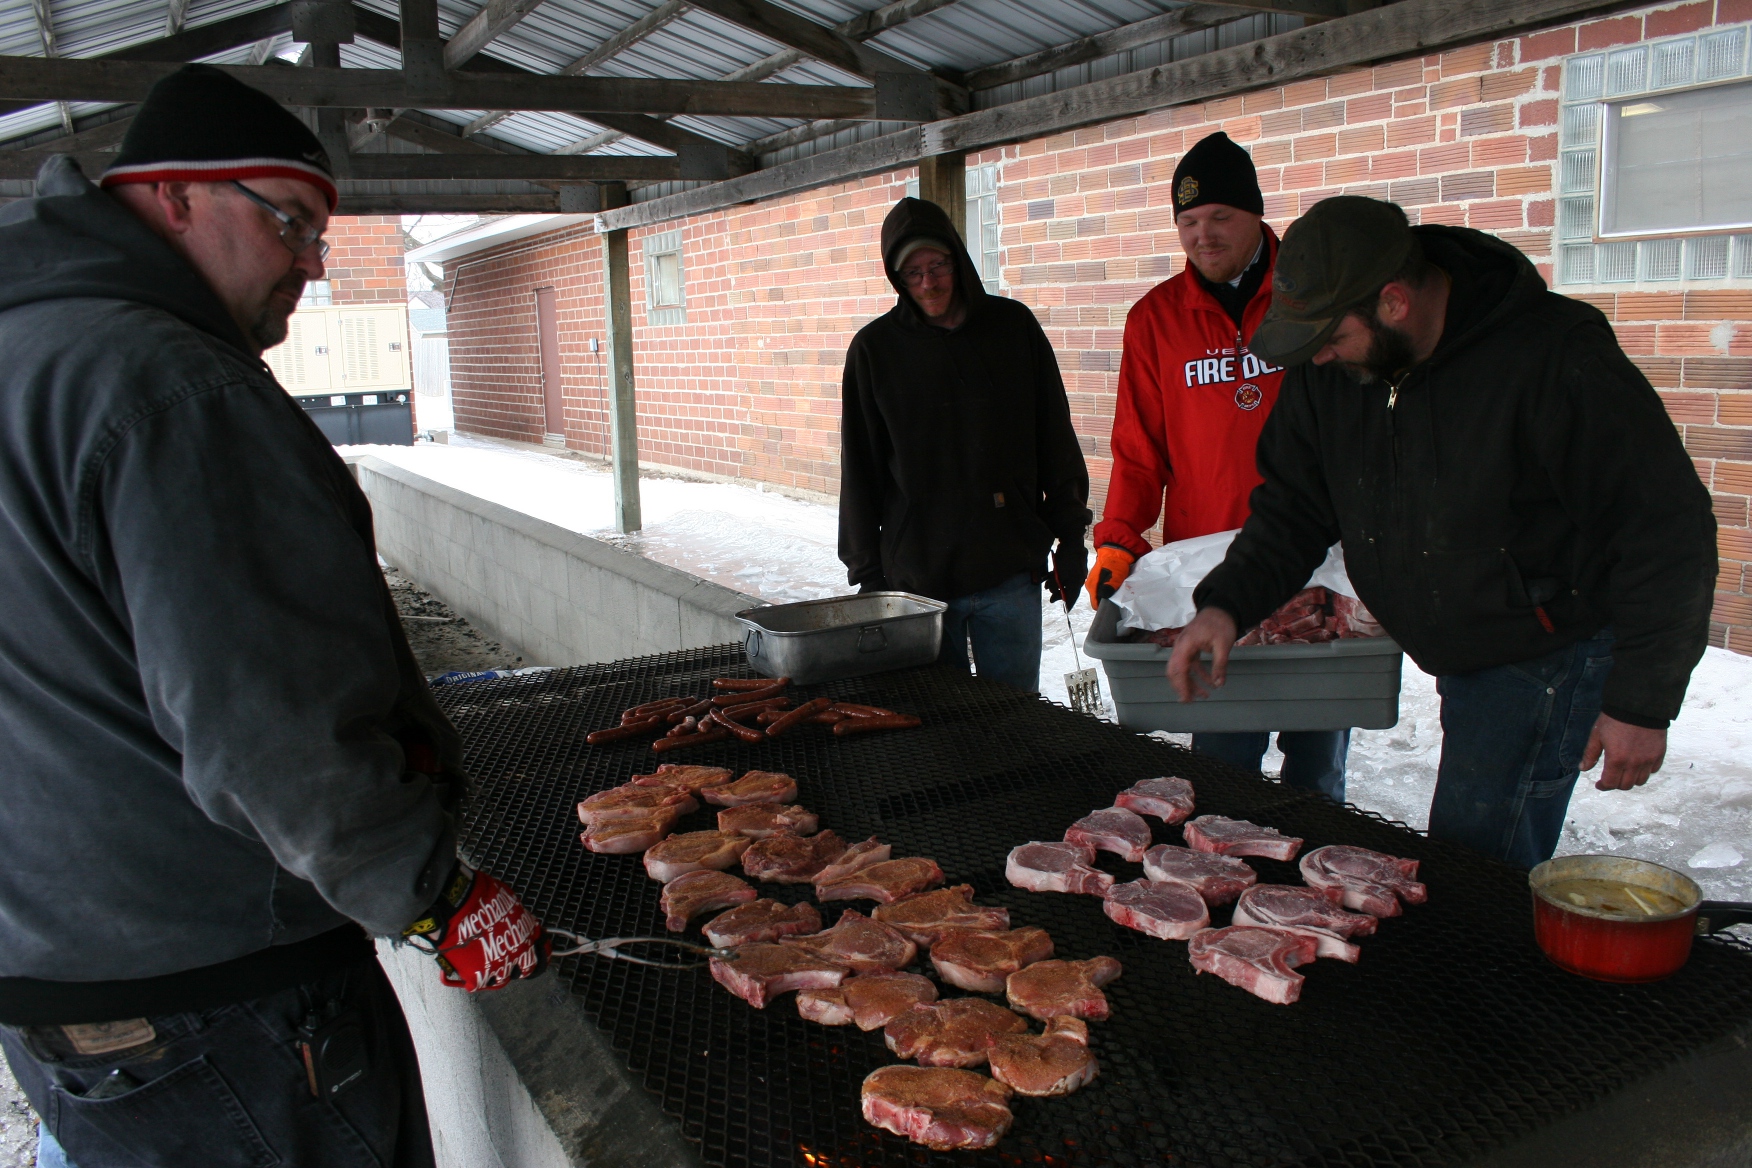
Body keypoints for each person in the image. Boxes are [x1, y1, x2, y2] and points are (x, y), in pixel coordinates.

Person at [0, 66, 548, 1168]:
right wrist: (433, 894)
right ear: (175, 197)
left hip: (67, 975)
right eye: (288, 220)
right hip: (223, 994)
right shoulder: (169, 387)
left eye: (316, 233)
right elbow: (270, 721)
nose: (310, 262)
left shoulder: (30, 352)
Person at [1168, 195, 1717, 868]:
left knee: (1474, 863)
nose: (1319, 360)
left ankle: (1497, 968)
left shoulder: (1554, 355)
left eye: (1332, 340)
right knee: (1468, 857)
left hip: (1541, 648)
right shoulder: (1335, 372)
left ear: (1393, 302)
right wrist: (1225, 605)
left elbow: (1664, 526)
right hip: (1464, 639)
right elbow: (1293, 506)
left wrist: (1642, 700)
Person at [1085, 131, 1350, 800]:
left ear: (1257, 213)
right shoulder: (1155, 320)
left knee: (1317, 768)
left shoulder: (1317, 299)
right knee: (1222, 768)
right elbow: (1138, 449)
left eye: (1221, 217)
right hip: (1209, 574)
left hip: (1319, 565)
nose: (1203, 235)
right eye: (1188, 221)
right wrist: (1119, 538)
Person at [840, 196, 1091, 693]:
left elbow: (1055, 437)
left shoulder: (1013, 329)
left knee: (1016, 717)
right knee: (936, 722)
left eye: (937, 266)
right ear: (896, 279)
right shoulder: (875, 351)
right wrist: (867, 574)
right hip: (917, 581)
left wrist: (1070, 537)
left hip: (1010, 567)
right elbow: (861, 468)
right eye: (912, 273)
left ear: (958, 259)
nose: (928, 283)